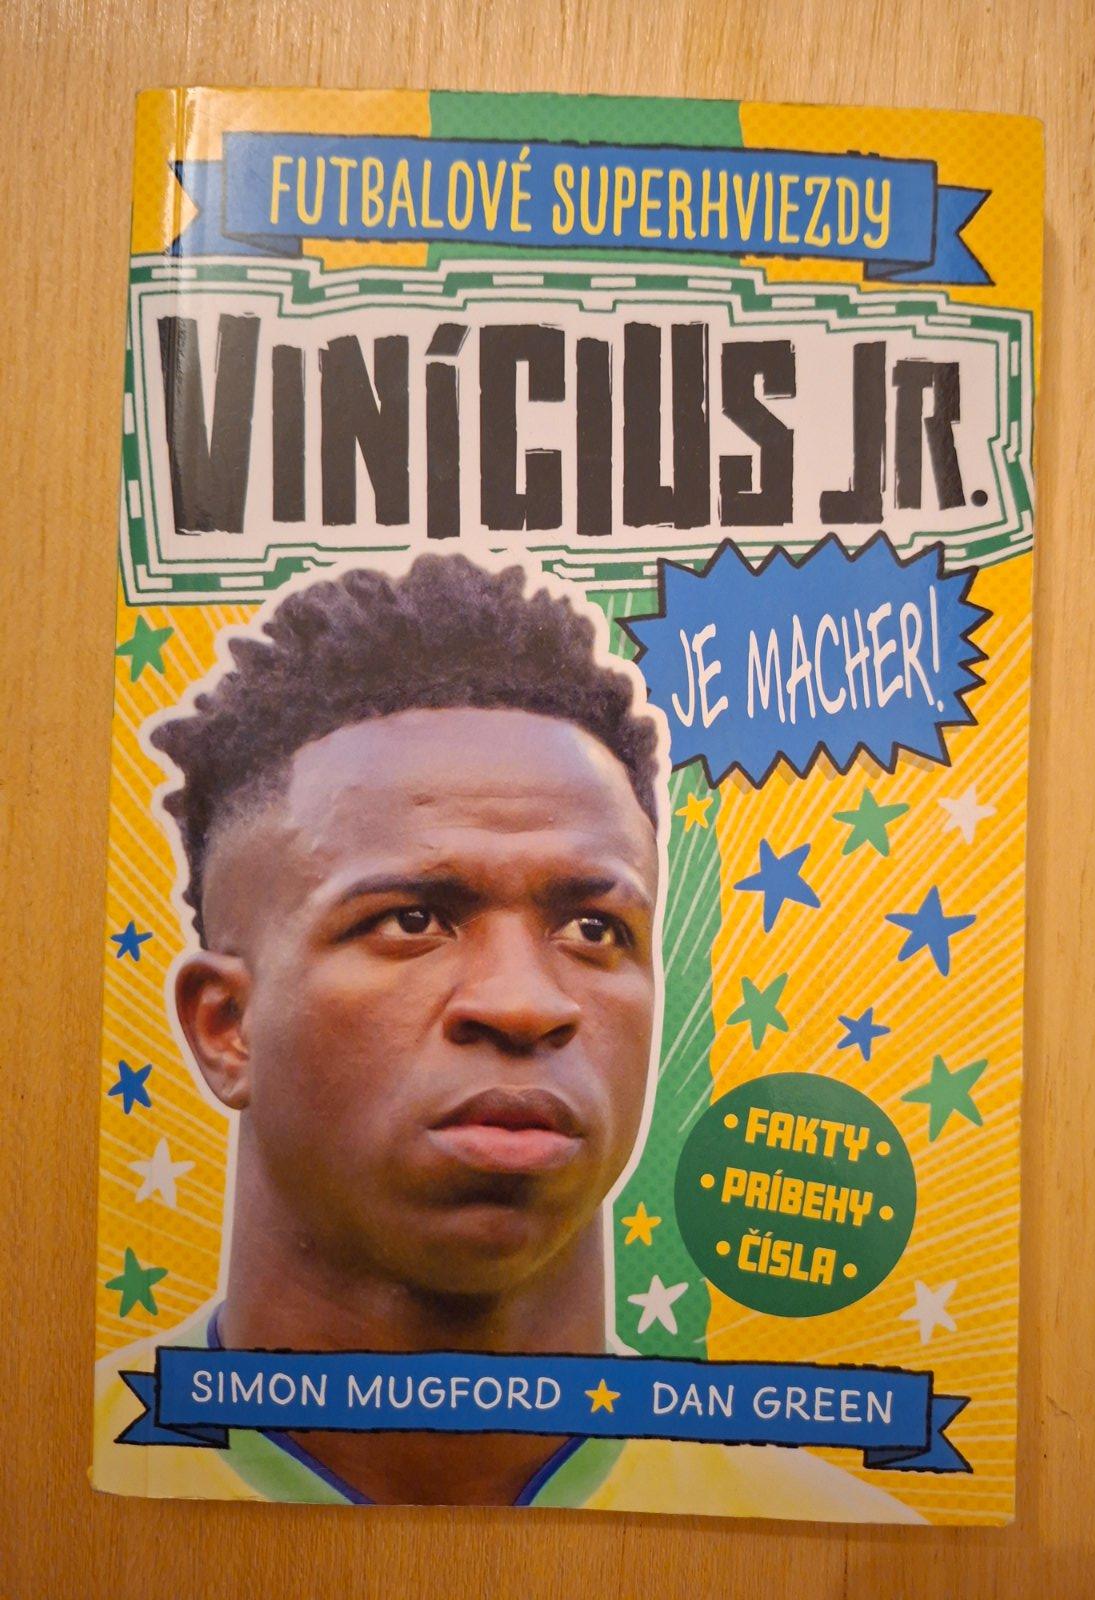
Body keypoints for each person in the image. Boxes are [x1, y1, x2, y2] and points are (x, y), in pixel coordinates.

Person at [94, 554, 919, 1520]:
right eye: (411, 921)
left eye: (593, 928)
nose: (525, 1004)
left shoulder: (839, 1541)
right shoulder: (50, 1481)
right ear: (225, 1026)